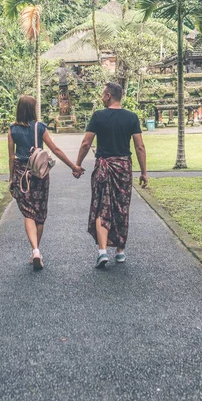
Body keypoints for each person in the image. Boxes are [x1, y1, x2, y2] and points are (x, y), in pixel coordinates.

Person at [74, 82, 148, 269]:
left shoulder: (98, 116)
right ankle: (120, 252)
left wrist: (78, 164)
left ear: (108, 96)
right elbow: (139, 146)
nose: (101, 97)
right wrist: (144, 172)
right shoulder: (131, 117)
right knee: (122, 207)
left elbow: (85, 143)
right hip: (123, 167)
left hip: (103, 166)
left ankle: (103, 251)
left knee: (101, 207)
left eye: (102, 94)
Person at [8, 95, 83, 270]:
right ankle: (37, 250)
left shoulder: (12, 129)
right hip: (39, 173)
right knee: (39, 213)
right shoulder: (40, 127)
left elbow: (12, 156)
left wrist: (11, 177)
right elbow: (55, 150)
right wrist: (73, 166)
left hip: (21, 174)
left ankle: (35, 250)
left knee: (28, 213)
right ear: (33, 109)